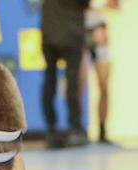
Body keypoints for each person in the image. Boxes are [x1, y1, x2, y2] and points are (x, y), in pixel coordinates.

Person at [41, 0, 91, 149]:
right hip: (71, 32)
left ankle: (51, 129)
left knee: (50, 80)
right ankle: (75, 128)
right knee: (72, 81)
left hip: (49, 31)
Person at [82, 0, 119, 144]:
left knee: (104, 87)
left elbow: (115, 5)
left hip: (101, 38)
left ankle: (102, 130)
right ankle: (78, 128)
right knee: (79, 85)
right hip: (81, 34)